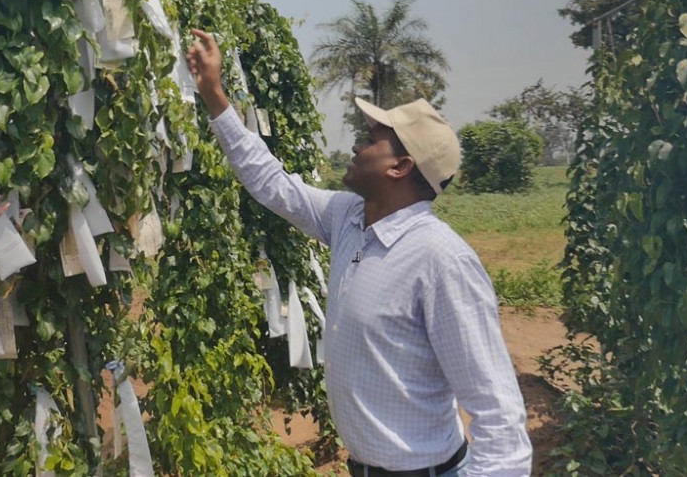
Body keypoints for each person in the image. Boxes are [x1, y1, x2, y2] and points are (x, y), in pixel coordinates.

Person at [187, 29, 532, 477]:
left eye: (371, 139)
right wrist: (214, 95)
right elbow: (272, 182)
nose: (355, 144)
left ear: (400, 167)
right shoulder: (348, 218)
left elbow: (500, 421)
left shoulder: (439, 260)